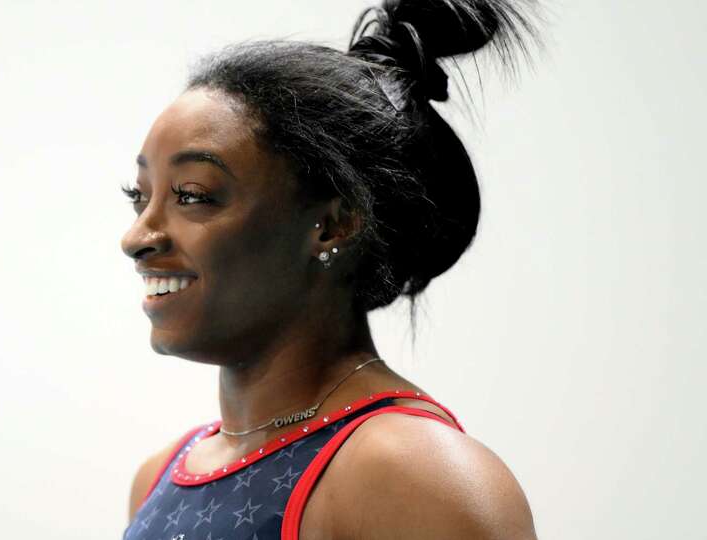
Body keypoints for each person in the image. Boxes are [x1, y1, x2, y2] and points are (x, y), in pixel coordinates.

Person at [119, 0, 541, 538]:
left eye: (193, 195)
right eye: (139, 197)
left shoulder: (413, 478)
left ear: (333, 224)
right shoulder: (158, 478)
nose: (137, 238)